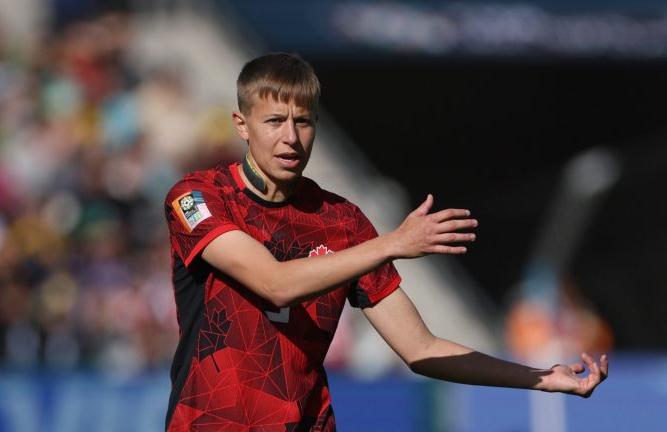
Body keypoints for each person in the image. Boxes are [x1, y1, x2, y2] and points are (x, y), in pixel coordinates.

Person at [163, 52, 608, 431]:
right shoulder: (197, 198)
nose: (291, 138)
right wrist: (391, 243)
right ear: (242, 125)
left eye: (303, 121)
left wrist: (540, 379)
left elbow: (420, 348)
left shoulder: (343, 222)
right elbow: (275, 284)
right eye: (275, 121)